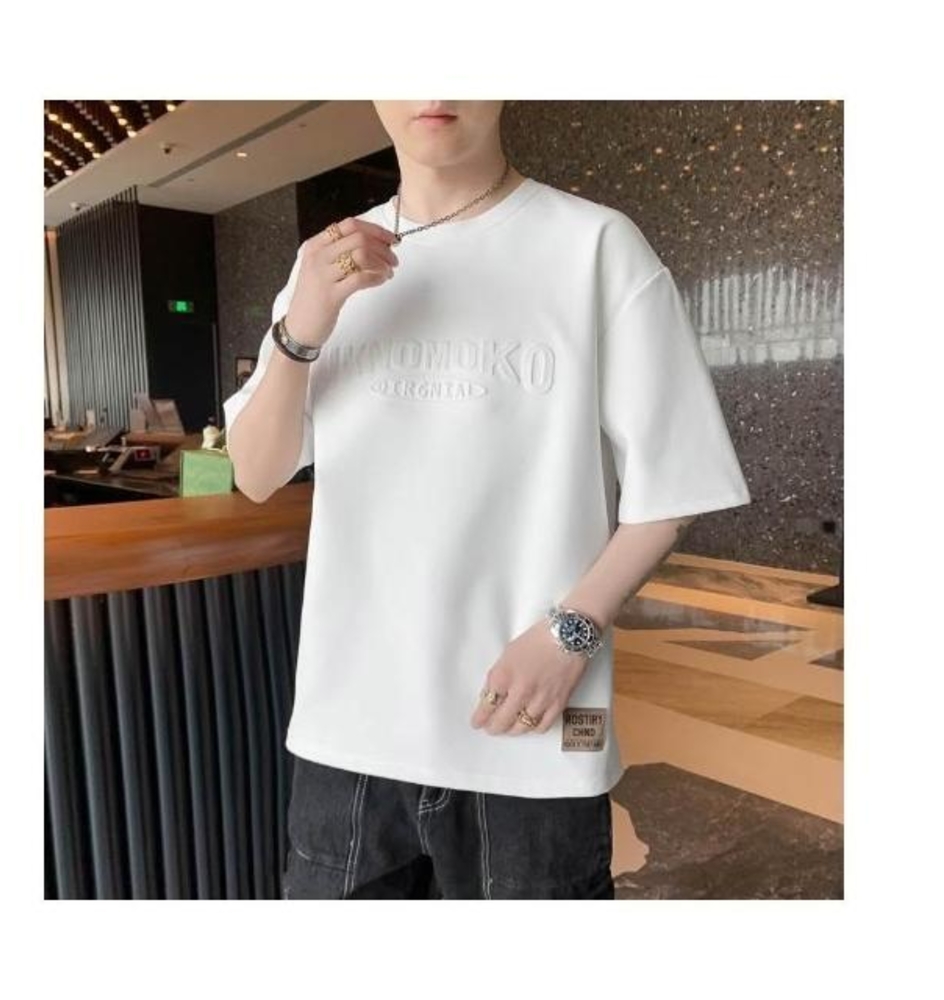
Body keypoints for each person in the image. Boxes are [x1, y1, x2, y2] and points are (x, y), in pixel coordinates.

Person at [223, 100, 751, 899]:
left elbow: (672, 488)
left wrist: (570, 635)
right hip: (351, 732)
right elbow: (256, 473)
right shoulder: (324, 264)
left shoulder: (595, 246)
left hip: (533, 729)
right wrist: (303, 327)